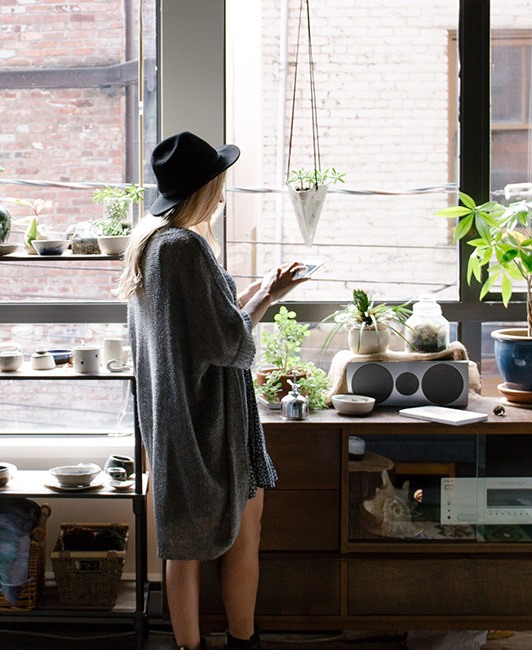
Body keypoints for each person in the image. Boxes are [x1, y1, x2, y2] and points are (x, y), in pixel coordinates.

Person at [118, 131, 309, 650]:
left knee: (181, 547)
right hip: (212, 425)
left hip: (173, 424)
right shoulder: (186, 247)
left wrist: (252, 290)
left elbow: (201, 321)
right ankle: (243, 642)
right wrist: (269, 297)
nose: (223, 195)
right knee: (245, 536)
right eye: (219, 185)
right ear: (202, 189)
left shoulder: (151, 245)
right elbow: (228, 343)